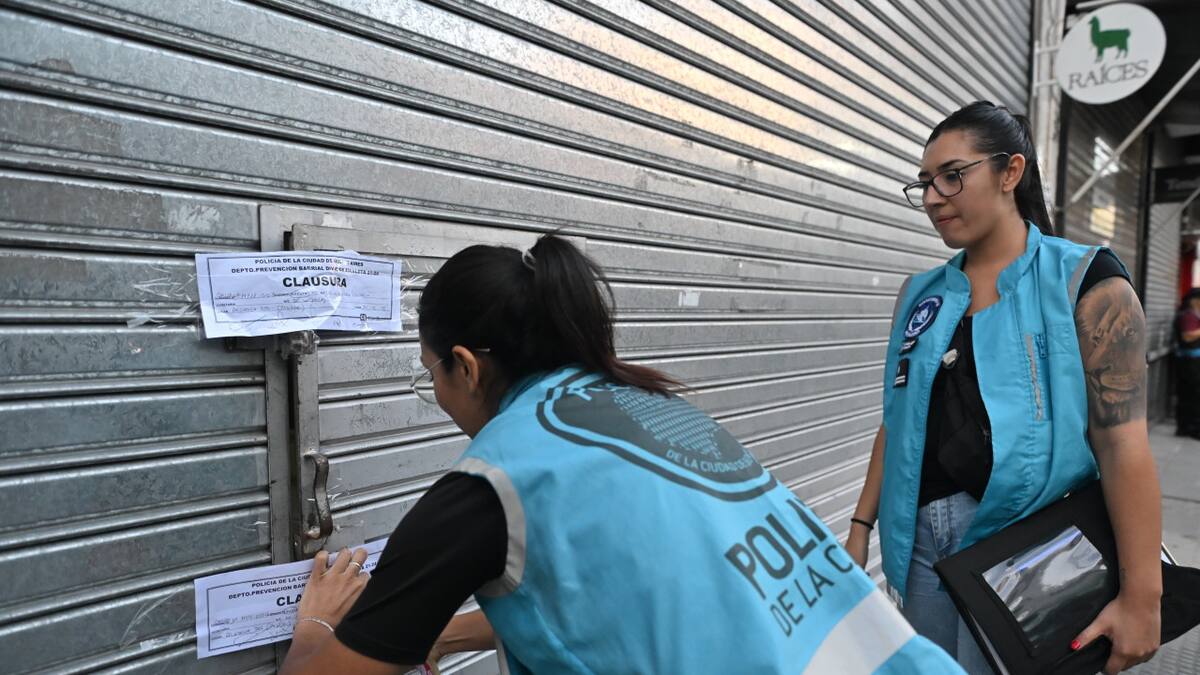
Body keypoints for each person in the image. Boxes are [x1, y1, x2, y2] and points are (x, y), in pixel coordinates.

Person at [279, 234, 965, 673]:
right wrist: (434, 634)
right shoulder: (646, 415)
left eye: (428, 372)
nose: (435, 389)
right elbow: (615, 596)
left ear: (465, 364)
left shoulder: (490, 487)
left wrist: (317, 623)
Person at [846, 101, 1163, 675]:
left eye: (951, 175)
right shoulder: (919, 296)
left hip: (1035, 550)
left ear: (1010, 172)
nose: (933, 197)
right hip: (920, 549)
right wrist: (859, 530)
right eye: (923, 183)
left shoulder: (1087, 281)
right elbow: (897, 421)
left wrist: (1144, 596)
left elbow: (1123, 445)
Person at [1175, 289, 1200, 438]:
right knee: (1192, 395)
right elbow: (1187, 336)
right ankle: (1190, 428)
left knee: (1190, 395)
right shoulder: (1188, 316)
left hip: (1191, 361)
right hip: (1189, 362)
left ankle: (1187, 427)